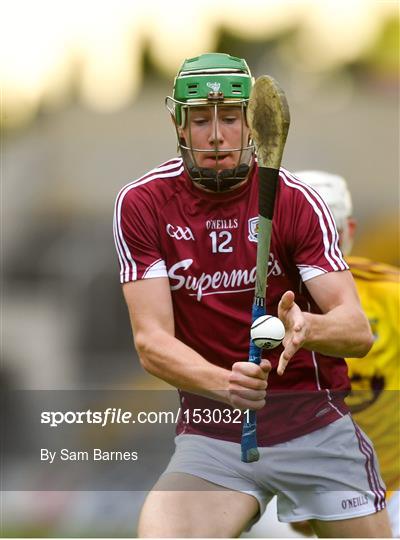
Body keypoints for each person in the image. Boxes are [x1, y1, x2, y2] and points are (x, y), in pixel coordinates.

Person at [113, 53, 391, 538]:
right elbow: (151, 341)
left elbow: (356, 329)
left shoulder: (295, 200)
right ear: (179, 126)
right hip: (213, 434)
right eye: (200, 120)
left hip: (315, 427)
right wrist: (226, 386)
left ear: (251, 125)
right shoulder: (144, 204)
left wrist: (308, 327)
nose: (216, 135)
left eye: (230, 119)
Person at [287, 170, 399, 538]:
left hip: (392, 491)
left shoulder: (392, 296)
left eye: (326, 231)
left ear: (349, 230)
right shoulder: (248, 302)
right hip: (286, 486)